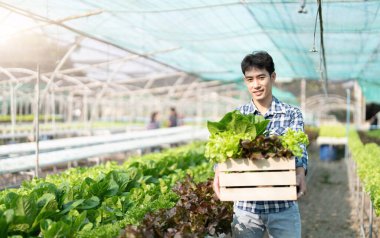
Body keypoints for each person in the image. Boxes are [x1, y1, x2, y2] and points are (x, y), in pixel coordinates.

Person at [213, 51, 308, 238]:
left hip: (283, 205)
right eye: (250, 79)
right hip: (246, 207)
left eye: (261, 77)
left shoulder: (291, 113)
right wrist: (218, 170)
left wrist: (301, 171)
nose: (255, 85)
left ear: (272, 77)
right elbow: (222, 148)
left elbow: (300, 147)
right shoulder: (237, 116)